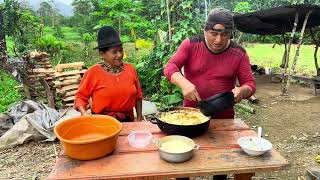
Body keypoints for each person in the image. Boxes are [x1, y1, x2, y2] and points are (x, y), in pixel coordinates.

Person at [164, 8, 256, 180]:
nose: (219, 40)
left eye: (225, 34)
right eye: (213, 33)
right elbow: (170, 67)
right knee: (184, 161)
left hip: (224, 119)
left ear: (231, 34)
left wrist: (241, 91)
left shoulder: (239, 53)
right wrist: (183, 83)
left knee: (221, 163)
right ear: (204, 30)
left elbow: (250, 84)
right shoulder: (191, 45)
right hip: (190, 117)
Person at [74, 25, 143, 122]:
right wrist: (84, 113)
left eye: (121, 50)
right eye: (114, 52)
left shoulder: (130, 69)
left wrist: (139, 118)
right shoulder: (92, 73)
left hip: (127, 121)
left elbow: (138, 96)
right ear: (102, 54)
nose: (119, 55)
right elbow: (80, 97)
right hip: (101, 123)